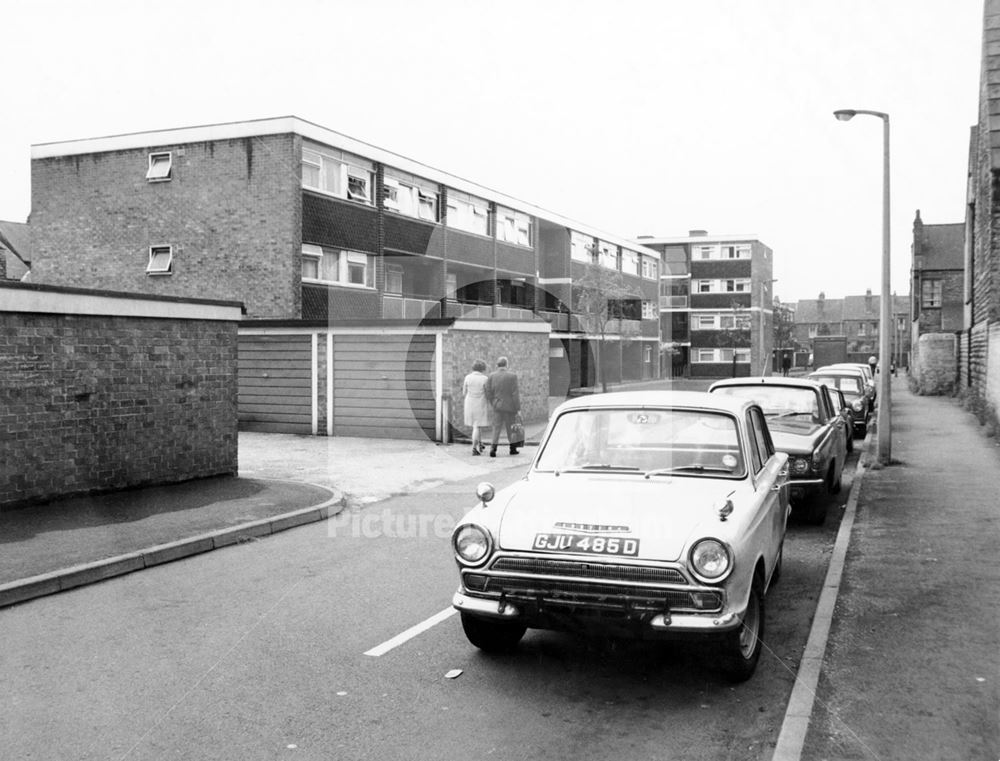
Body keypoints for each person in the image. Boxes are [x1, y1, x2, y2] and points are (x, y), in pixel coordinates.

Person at [485, 356, 521, 457]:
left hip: (497, 407)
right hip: (510, 408)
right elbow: (515, 394)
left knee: (496, 429)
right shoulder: (512, 376)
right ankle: (512, 449)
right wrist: (518, 408)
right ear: (506, 364)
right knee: (511, 429)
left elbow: (488, 392)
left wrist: (494, 402)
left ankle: (493, 449)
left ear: (497, 365)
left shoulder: (491, 376)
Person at [462, 360, 490, 456]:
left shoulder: (467, 377)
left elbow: (463, 392)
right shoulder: (485, 379)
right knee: (477, 426)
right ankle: (474, 448)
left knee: (477, 426)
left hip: (469, 403)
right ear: (483, 368)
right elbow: (487, 393)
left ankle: (480, 444)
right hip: (480, 403)